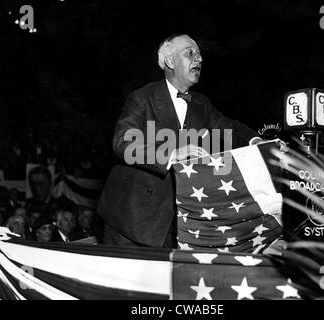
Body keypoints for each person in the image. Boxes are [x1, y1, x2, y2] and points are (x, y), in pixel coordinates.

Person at [98, 34, 262, 248]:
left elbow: (229, 127)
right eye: (190, 53)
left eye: (200, 54)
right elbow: (122, 142)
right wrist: (173, 154)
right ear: (170, 61)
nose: (199, 59)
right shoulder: (142, 98)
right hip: (129, 219)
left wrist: (256, 141)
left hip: (175, 222)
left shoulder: (202, 104)